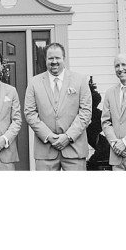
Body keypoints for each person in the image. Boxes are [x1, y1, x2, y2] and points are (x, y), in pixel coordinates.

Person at [24, 42, 92, 171]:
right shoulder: (34, 83)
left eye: (57, 58)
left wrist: (68, 137)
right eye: (50, 58)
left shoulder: (80, 80)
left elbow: (86, 112)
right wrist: (49, 136)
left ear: (64, 58)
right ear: (45, 60)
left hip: (74, 149)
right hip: (45, 151)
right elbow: (30, 113)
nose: (54, 62)